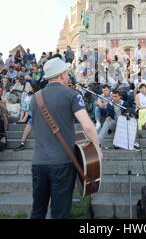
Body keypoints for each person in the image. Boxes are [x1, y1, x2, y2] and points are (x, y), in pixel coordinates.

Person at [29, 57, 100, 219]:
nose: (68, 75)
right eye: (67, 72)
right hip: (62, 163)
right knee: (60, 213)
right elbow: (88, 126)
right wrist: (97, 148)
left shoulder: (35, 97)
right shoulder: (72, 94)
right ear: (61, 75)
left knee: (37, 211)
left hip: (38, 162)